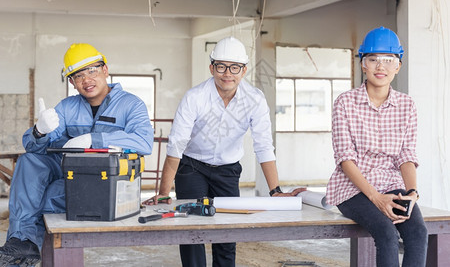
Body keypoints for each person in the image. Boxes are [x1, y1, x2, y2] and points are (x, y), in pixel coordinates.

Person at [143, 36, 297, 267]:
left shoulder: (254, 99)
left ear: (243, 70)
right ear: (212, 68)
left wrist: (275, 191)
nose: (228, 73)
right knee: (191, 228)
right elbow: (176, 146)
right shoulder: (195, 97)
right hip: (192, 167)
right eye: (221, 66)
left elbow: (264, 145)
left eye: (234, 67)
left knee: (227, 230)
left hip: (228, 171)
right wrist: (165, 191)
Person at [0, 43, 154, 266]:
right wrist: (39, 131)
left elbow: (143, 142)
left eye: (92, 70)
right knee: (29, 160)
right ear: (71, 82)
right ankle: (21, 242)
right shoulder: (67, 107)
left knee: (38, 197)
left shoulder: (131, 105)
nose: (86, 80)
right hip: (68, 173)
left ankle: (24, 244)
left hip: (106, 183)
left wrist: (96, 140)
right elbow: (36, 148)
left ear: (105, 70)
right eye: (78, 75)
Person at [325, 27, 428, 266]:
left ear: (398, 66)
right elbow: (345, 158)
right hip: (352, 188)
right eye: (373, 59)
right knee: (387, 233)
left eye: (388, 60)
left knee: (418, 233)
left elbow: (406, 154)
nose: (380, 67)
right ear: (363, 64)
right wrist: (376, 198)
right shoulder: (345, 102)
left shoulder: (406, 105)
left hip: (392, 185)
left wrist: (412, 192)